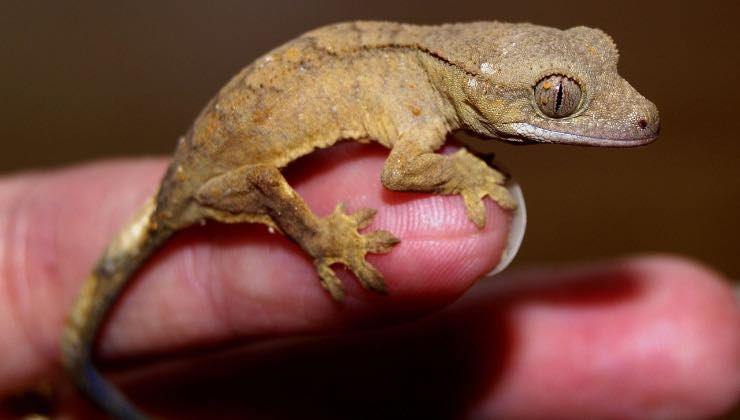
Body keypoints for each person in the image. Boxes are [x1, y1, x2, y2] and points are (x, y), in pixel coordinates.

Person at [1, 143, 738, 418]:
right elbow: (402, 170)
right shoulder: (420, 111)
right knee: (270, 187)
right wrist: (326, 240)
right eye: (555, 100)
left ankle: (74, 381)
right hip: (218, 180)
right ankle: (75, 375)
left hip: (205, 168)